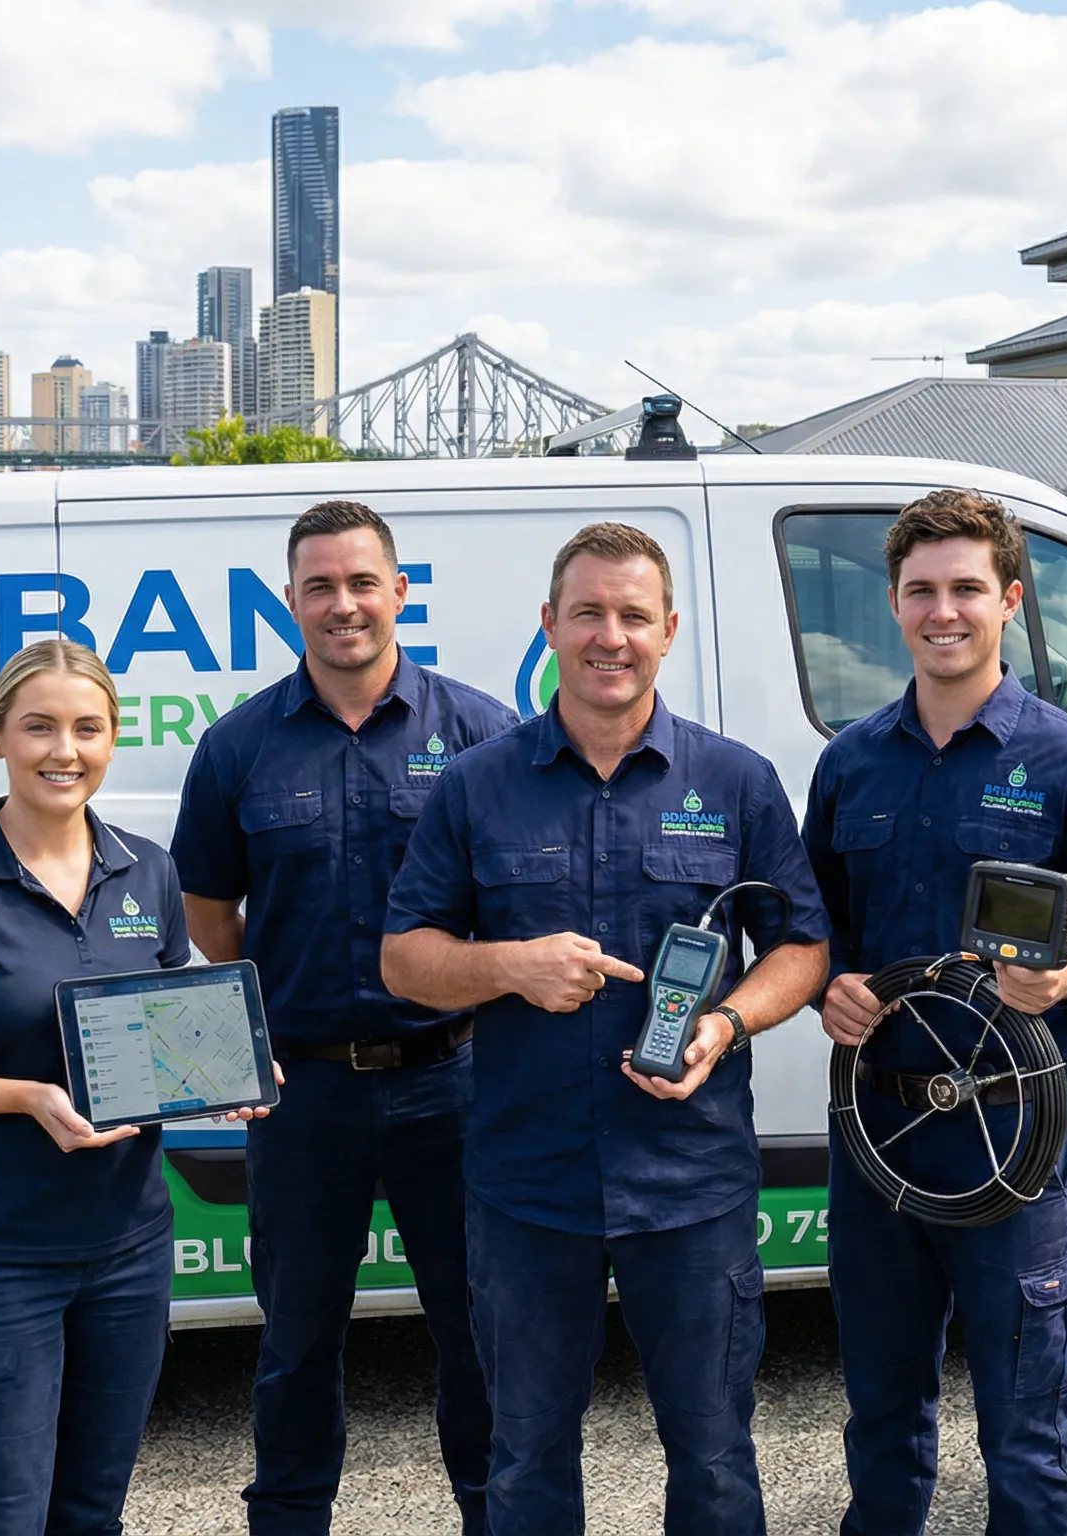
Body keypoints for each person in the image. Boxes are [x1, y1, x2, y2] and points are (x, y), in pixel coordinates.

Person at [384, 521, 830, 1536]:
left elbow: (801, 950)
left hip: (691, 1184)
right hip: (525, 1187)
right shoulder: (476, 785)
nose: (609, 635)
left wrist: (722, 1022)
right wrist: (508, 966)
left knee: (714, 1458)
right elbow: (403, 958)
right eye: (587, 612)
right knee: (528, 1457)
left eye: (633, 615)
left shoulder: (736, 782)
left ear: (668, 630)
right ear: (549, 625)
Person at [802, 489, 1067, 1535]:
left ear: (1009, 599)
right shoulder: (851, 763)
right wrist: (827, 979)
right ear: (892, 602)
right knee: (880, 1415)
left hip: (1013, 1137)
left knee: (1022, 1429)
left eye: (967, 588)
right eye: (921, 590)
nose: (943, 611)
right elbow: (811, 926)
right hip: (881, 1130)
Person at [0, 638, 265, 1535]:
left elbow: (159, 1030)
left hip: (125, 1250)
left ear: (115, 738)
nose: (63, 750)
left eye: (87, 727)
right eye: (38, 726)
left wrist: (219, 1072)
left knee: (90, 1512)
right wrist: (25, 1096)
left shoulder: (146, 870)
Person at [171, 501, 514, 1535]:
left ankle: (492, 1514)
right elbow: (206, 912)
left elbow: (511, 908)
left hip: (448, 1080)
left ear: (400, 591)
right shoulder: (238, 747)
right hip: (304, 1088)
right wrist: (277, 1012)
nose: (342, 605)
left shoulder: (480, 732)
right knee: (295, 1339)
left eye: (362, 582)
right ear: (290, 603)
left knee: (474, 1328)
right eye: (319, 586)